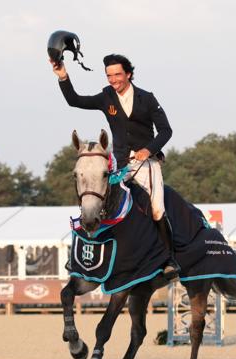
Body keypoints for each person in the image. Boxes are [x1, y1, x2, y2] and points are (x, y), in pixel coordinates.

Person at [51, 54, 180, 280]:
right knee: (95, 201)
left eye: (117, 74)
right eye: (109, 75)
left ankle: (169, 259)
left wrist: (148, 150)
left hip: (145, 163)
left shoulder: (147, 98)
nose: (113, 80)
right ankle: (79, 258)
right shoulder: (106, 97)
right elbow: (75, 100)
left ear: (128, 74)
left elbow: (166, 131)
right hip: (120, 164)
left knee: (157, 209)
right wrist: (63, 76)